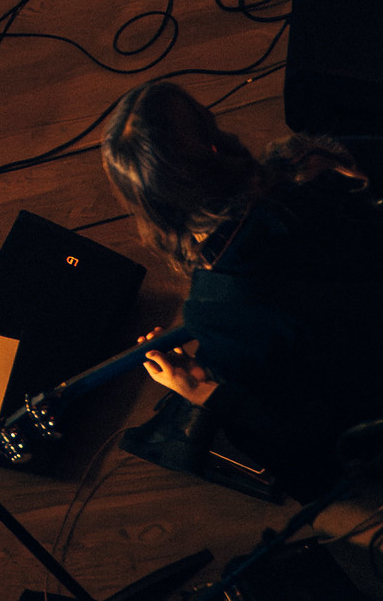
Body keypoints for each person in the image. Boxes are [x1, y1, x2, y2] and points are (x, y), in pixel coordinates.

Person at [101, 81, 383, 499]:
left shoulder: (217, 312)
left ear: (151, 205)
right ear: (212, 141)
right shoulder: (315, 160)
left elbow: (289, 430)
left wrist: (199, 387)